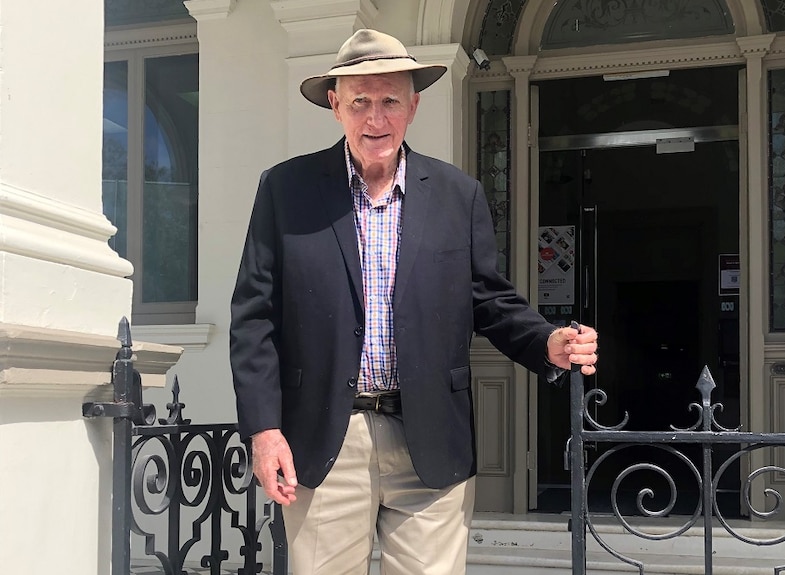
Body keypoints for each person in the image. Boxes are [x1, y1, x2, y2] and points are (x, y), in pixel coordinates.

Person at [229, 28, 598, 575]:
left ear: (414, 105)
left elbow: (487, 298)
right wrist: (264, 430)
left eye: (389, 101)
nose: (374, 119)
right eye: (360, 102)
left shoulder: (457, 194)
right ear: (335, 106)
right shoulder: (286, 190)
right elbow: (253, 318)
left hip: (429, 436)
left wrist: (546, 340)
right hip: (326, 438)